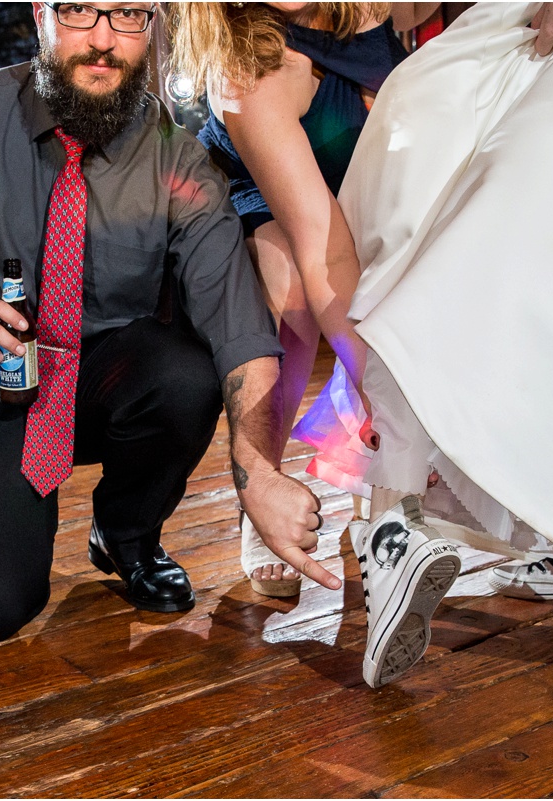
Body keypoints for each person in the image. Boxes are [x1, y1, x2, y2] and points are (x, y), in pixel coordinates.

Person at [269, 1, 553, 687]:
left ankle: (440, 525)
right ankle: (420, 523)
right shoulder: (255, 66)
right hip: (478, 63)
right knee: (474, 253)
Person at [0, 1, 337, 644]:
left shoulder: (177, 161)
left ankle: (127, 532)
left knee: (186, 375)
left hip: (104, 380)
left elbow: (238, 323)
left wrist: (257, 475)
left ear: (153, 28)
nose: (104, 41)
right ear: (41, 16)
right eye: (81, 11)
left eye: (128, 15)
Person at [168, 2, 435, 598]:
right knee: (291, 279)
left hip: (360, 200)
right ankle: (261, 487)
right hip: (258, 209)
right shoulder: (247, 72)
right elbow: (323, 249)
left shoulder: (377, 7)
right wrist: (377, 385)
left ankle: (393, 487)